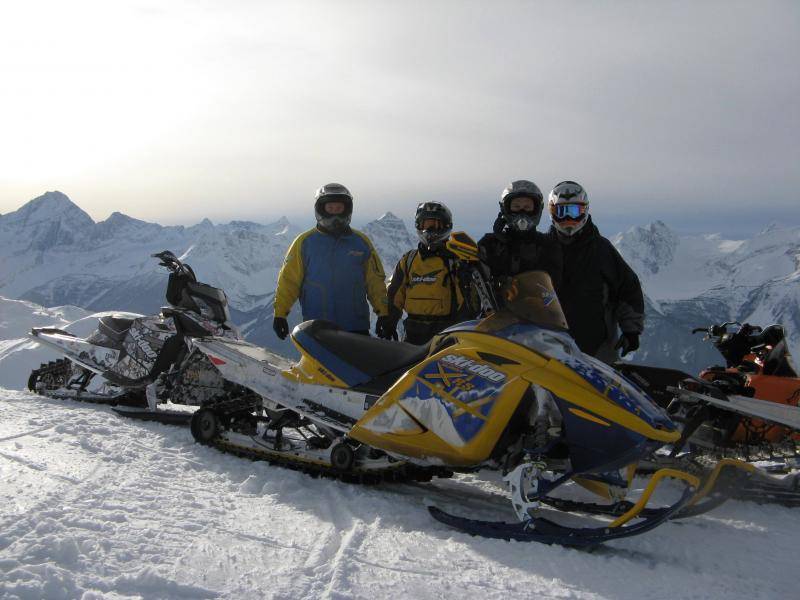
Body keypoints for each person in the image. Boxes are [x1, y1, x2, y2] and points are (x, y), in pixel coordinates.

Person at [272, 183, 395, 340]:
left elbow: (375, 282)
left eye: (339, 209)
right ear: (320, 209)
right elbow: (288, 281)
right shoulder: (304, 243)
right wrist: (280, 314)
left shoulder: (361, 243)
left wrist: (383, 313)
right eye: (330, 209)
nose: (335, 214)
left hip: (356, 327)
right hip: (317, 328)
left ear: (347, 210)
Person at [547, 180, 644, 363]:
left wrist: (631, 330)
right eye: (562, 212)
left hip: (598, 346)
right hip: (550, 343)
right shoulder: (543, 248)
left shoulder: (601, 249)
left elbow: (628, 288)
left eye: (574, 212)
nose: (569, 219)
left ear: (585, 211)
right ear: (552, 212)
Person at [385, 202, 477, 345]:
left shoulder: (456, 260)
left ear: (446, 226)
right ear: (418, 226)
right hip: (412, 332)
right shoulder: (409, 260)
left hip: (445, 334)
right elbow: (394, 295)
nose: (429, 230)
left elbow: (467, 302)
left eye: (436, 225)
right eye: (425, 225)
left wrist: (460, 331)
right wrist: (388, 321)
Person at [478, 180, 563, 296]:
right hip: (499, 312)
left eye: (527, 207)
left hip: (537, 310)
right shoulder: (490, 243)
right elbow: (479, 279)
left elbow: (553, 283)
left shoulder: (548, 245)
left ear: (537, 209)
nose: (522, 212)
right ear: (505, 209)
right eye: (516, 207)